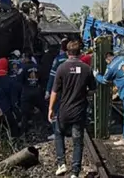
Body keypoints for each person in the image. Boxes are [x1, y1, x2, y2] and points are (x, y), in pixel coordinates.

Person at [49, 40, 95, 178]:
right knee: (77, 141)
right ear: (80, 53)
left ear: (67, 52)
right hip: (79, 111)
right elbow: (93, 90)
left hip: (64, 110)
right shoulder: (86, 69)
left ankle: (61, 163)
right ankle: (75, 172)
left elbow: (54, 91)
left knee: (58, 133)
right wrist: (84, 93)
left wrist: (50, 108)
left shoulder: (61, 68)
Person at [95, 51, 124, 146]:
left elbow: (105, 80)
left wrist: (96, 75)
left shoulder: (111, 67)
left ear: (107, 59)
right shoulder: (123, 58)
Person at [46, 38, 70, 141]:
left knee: (55, 111)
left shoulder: (58, 60)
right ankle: (68, 130)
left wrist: (48, 90)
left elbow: (52, 76)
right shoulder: (74, 60)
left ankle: (56, 132)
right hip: (70, 90)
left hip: (59, 90)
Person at [19, 53, 46, 133]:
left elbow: (19, 81)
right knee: (43, 109)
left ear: (26, 58)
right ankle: (46, 126)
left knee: (24, 113)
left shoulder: (23, 68)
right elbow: (42, 80)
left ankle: (23, 132)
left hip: (26, 93)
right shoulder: (38, 67)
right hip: (37, 92)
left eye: (23, 57)